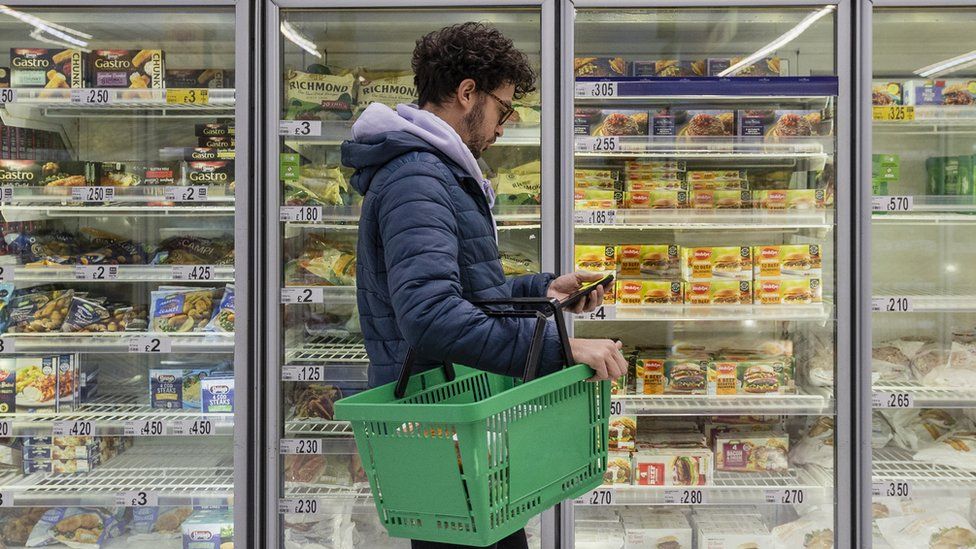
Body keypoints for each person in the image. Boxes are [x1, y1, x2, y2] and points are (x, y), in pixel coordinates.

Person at [341, 22, 628, 549]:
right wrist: (561, 349)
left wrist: (543, 293)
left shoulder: (434, 171)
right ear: (467, 92)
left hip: (455, 418)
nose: (504, 125)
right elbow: (430, 316)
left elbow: (459, 293)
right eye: (504, 107)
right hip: (437, 423)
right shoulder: (417, 177)